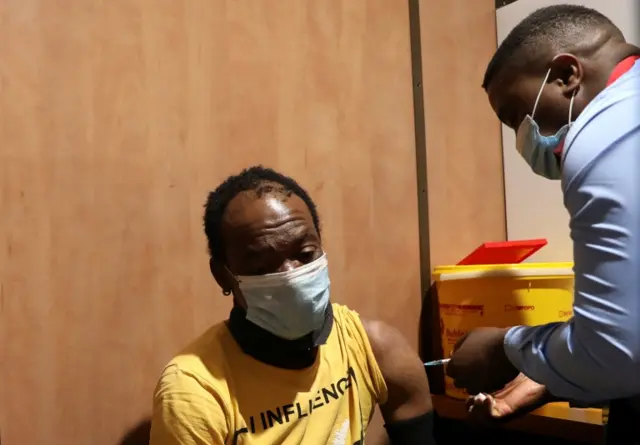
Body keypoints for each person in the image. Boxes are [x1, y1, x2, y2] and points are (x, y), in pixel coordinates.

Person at [446, 3, 640, 440]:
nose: (523, 138)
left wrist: (504, 348)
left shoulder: (604, 136)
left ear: (567, 75)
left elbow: (619, 353)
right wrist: (549, 373)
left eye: (517, 116)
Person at [149, 166, 436, 445]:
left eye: (305, 253)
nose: (290, 275)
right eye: (262, 265)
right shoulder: (194, 391)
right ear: (223, 276)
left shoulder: (370, 348)